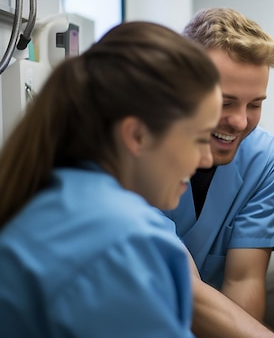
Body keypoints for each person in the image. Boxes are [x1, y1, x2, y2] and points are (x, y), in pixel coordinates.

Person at [0, 21, 222, 336]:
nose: (207, 158)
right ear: (138, 135)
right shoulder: (125, 242)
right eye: (200, 139)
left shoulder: (47, 194)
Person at [161, 7, 274, 322]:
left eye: (255, 104)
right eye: (225, 102)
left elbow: (244, 280)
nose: (241, 121)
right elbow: (181, 281)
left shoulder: (263, 161)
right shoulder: (141, 154)